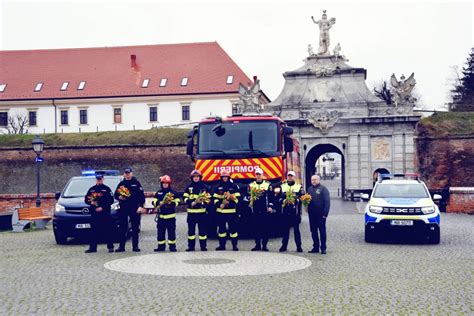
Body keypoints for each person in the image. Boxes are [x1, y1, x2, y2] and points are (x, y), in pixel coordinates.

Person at [114, 167, 146, 252]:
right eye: (126, 173)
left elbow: (141, 196)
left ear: (132, 174)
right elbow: (115, 195)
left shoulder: (136, 183)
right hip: (123, 208)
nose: (127, 175)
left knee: (135, 228)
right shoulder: (121, 184)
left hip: (134, 208)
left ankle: (135, 246)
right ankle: (121, 247)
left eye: (129, 173)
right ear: (124, 174)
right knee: (122, 228)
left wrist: (141, 206)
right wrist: (119, 197)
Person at [84, 173, 115, 253]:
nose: (99, 180)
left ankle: (110, 247)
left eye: (100, 179)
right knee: (93, 230)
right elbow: (86, 199)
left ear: (103, 179)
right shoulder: (92, 189)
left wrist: (102, 207)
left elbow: (111, 200)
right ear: (96, 179)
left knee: (108, 230)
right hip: (95, 213)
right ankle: (92, 248)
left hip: (105, 213)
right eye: (98, 179)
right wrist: (91, 203)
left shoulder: (107, 189)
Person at [213, 170, 241, 251]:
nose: (224, 178)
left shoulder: (234, 186)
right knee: (221, 230)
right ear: (221, 178)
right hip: (221, 212)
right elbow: (214, 199)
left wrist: (230, 202)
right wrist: (219, 204)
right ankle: (222, 246)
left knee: (233, 230)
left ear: (229, 177)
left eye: (226, 177)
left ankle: (234, 246)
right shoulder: (218, 187)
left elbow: (238, 199)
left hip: (231, 212)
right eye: (223, 177)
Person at [183, 170, 210, 251]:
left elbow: (209, 198)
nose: (196, 178)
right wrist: (191, 203)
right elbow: (184, 198)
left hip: (202, 214)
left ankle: (203, 247)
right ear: (192, 178)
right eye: (194, 177)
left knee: (202, 232)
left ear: (200, 177)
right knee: (191, 232)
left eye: (197, 176)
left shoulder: (205, 187)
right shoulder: (188, 187)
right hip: (191, 214)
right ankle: (191, 247)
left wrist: (204, 201)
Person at [248, 167, 274, 251]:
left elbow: (271, 197)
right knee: (256, 227)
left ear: (262, 175)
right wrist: (249, 200)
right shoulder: (251, 185)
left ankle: (265, 245)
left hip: (264, 209)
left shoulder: (268, 184)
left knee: (265, 228)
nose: (258, 176)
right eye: (257, 174)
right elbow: (248, 196)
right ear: (255, 175)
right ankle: (257, 245)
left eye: (259, 174)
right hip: (255, 209)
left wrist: (270, 206)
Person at [153, 175, 180, 252]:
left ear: (169, 183)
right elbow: (154, 201)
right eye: (163, 183)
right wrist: (159, 202)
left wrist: (170, 203)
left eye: (166, 183)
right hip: (161, 217)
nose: (165, 184)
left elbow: (177, 202)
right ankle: (161, 247)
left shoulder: (173, 193)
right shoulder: (159, 193)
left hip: (171, 218)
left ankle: (172, 247)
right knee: (160, 233)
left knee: (171, 233)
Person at [279, 171, 304, 253]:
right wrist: (283, 200)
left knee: (296, 231)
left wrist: (296, 200)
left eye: (291, 176)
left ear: (294, 177)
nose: (290, 177)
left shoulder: (299, 187)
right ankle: (284, 246)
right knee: (285, 230)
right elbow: (278, 198)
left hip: (295, 212)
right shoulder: (282, 186)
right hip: (285, 212)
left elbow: (302, 198)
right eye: (289, 176)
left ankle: (299, 247)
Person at [306, 175, 331, 254]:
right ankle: (315, 247)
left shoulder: (323, 189)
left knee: (322, 231)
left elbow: (327, 202)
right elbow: (306, 199)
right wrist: (306, 206)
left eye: (315, 180)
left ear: (319, 180)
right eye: (312, 180)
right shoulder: (309, 189)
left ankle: (323, 248)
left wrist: (325, 213)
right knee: (313, 231)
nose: (314, 181)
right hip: (312, 214)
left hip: (321, 214)